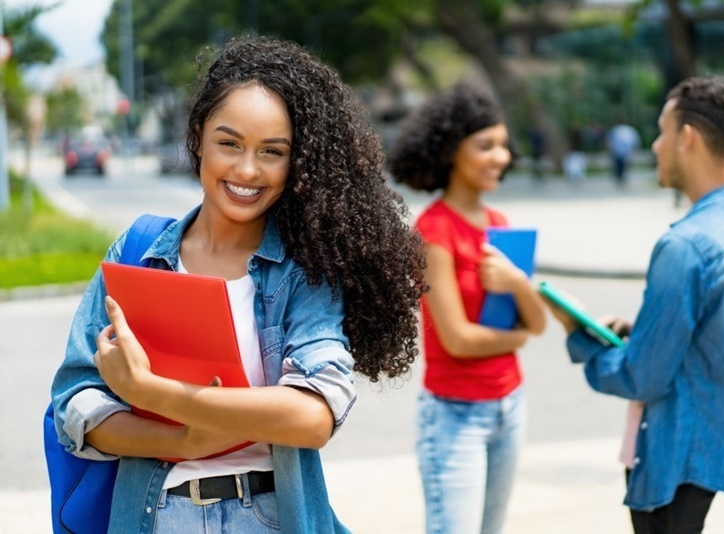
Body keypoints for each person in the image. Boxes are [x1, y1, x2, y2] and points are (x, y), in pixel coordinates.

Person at [49, 35, 426, 533]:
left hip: (268, 515)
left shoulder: (303, 271)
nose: (247, 170)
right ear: (199, 135)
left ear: (297, 164)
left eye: (272, 152)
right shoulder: (137, 252)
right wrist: (184, 442)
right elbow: (75, 405)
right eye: (229, 143)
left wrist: (154, 394)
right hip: (155, 518)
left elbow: (314, 415)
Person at [545, 75, 724, 533]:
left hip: (677, 458)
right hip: (715, 452)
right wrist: (638, 333)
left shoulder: (685, 245)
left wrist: (579, 335)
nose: (656, 145)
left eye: (662, 131)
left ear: (687, 137)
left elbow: (641, 375)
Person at [387, 82, 548, 534]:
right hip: (455, 417)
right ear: (449, 151)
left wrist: (516, 283)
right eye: (485, 146)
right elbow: (458, 339)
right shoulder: (433, 231)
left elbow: (537, 322)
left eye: (503, 145)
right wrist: (515, 336)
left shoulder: (500, 226)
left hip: (509, 407)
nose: (501, 156)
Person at [606, 119, 641, 186]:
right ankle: (622, 177)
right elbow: (635, 141)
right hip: (627, 151)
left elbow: (609, 141)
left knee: (618, 165)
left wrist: (610, 150)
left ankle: (619, 178)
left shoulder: (615, 130)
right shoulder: (630, 130)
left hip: (617, 151)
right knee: (624, 165)